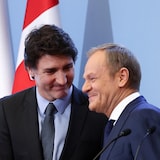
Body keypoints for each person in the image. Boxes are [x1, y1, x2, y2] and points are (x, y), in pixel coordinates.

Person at [0, 24, 107, 160]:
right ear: (30, 70)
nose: (62, 80)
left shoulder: (97, 111)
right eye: (51, 71)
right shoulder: (7, 110)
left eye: (67, 68)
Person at [82, 43, 160, 160]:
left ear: (122, 77)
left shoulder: (143, 117)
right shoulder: (116, 124)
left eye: (92, 78)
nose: (84, 88)